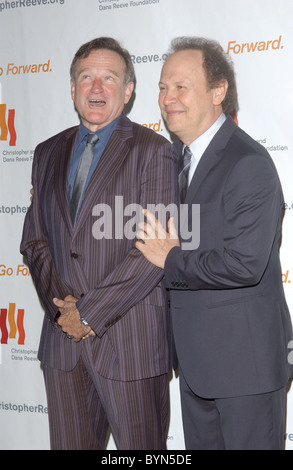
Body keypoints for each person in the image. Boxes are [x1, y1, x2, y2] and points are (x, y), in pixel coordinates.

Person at [20, 37, 178, 450]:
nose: (96, 88)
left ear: (128, 91)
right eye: (86, 77)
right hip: (62, 346)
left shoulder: (154, 152)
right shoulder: (45, 152)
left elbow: (153, 253)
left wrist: (87, 313)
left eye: (109, 78)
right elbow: (34, 241)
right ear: (72, 88)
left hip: (130, 345)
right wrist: (64, 312)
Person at [136, 36, 293, 450]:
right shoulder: (174, 161)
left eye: (181, 87)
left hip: (246, 370)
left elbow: (244, 264)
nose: (168, 98)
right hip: (196, 367)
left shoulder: (248, 163)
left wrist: (171, 258)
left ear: (218, 91)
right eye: (163, 87)